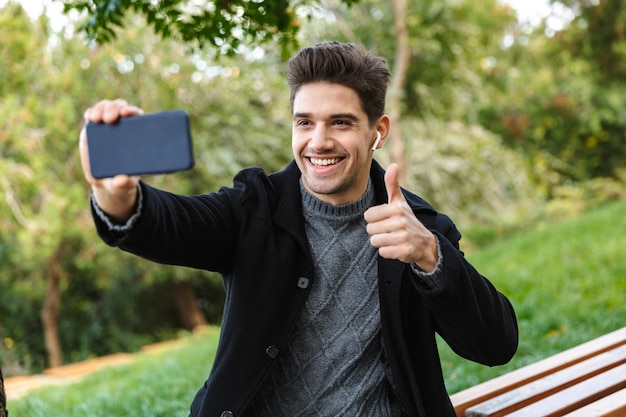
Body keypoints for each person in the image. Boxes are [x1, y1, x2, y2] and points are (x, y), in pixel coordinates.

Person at [79, 41, 518, 417]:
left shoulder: (417, 227)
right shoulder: (255, 208)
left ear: (377, 131)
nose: (319, 141)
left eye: (340, 122)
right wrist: (116, 196)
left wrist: (430, 256)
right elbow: (169, 225)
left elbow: (495, 345)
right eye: (305, 121)